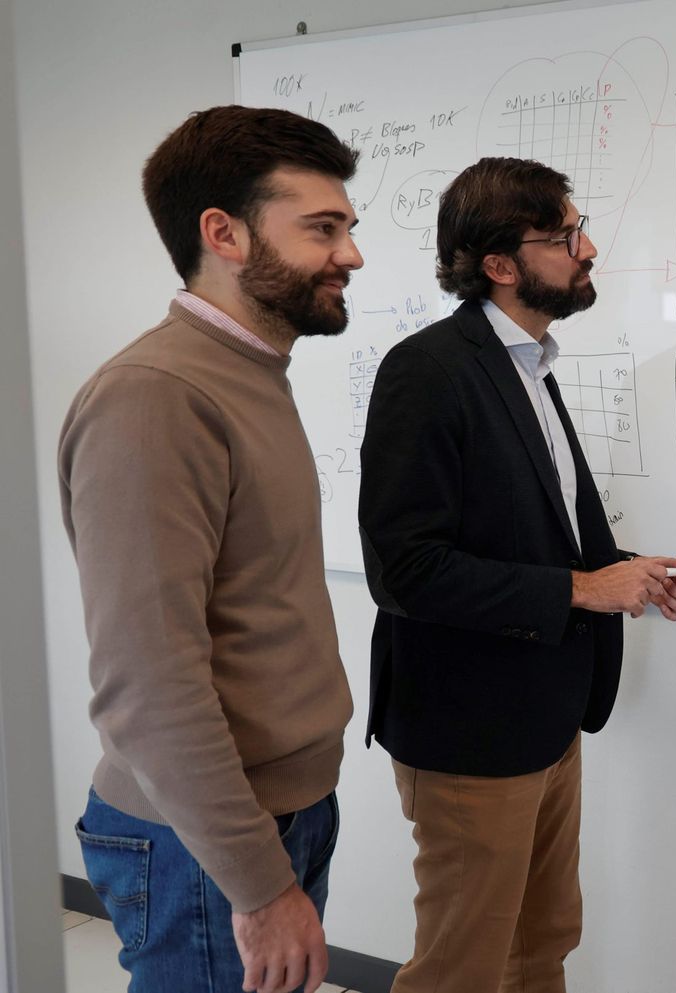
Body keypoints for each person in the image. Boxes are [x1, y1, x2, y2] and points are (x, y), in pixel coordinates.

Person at [358, 156, 676, 993]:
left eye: (579, 228)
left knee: (542, 940)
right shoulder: (429, 370)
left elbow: (530, 533)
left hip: (546, 715)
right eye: (565, 235)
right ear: (500, 265)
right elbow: (404, 569)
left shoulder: (532, 364)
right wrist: (585, 590)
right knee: (461, 966)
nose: (588, 249)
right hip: (470, 728)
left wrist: (624, 570)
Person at [58, 106, 364, 993]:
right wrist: (260, 883)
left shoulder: (247, 376)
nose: (350, 253)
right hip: (204, 840)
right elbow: (147, 680)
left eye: (347, 226)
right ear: (223, 234)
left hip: (269, 815)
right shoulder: (155, 397)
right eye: (322, 227)